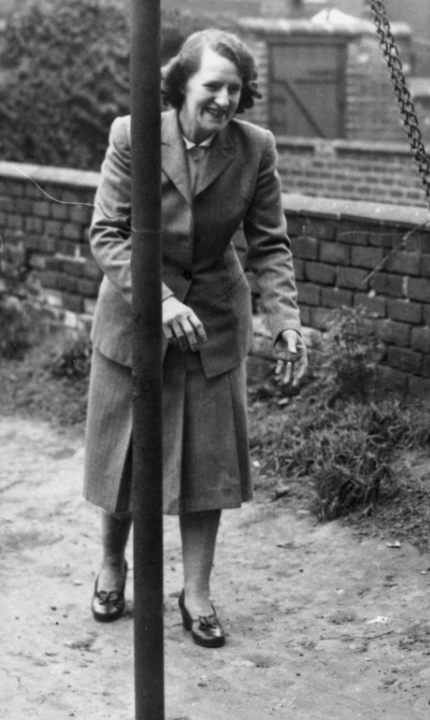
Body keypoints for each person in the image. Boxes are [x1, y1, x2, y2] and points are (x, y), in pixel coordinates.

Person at [85, 29, 308, 649]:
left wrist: (284, 318)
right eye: (212, 85)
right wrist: (159, 300)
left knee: (206, 464)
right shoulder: (133, 136)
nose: (224, 99)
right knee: (126, 459)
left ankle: (198, 591)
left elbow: (269, 244)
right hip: (136, 319)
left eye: (235, 89)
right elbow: (107, 234)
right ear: (182, 83)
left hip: (213, 322)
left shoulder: (254, 148)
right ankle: (112, 565)